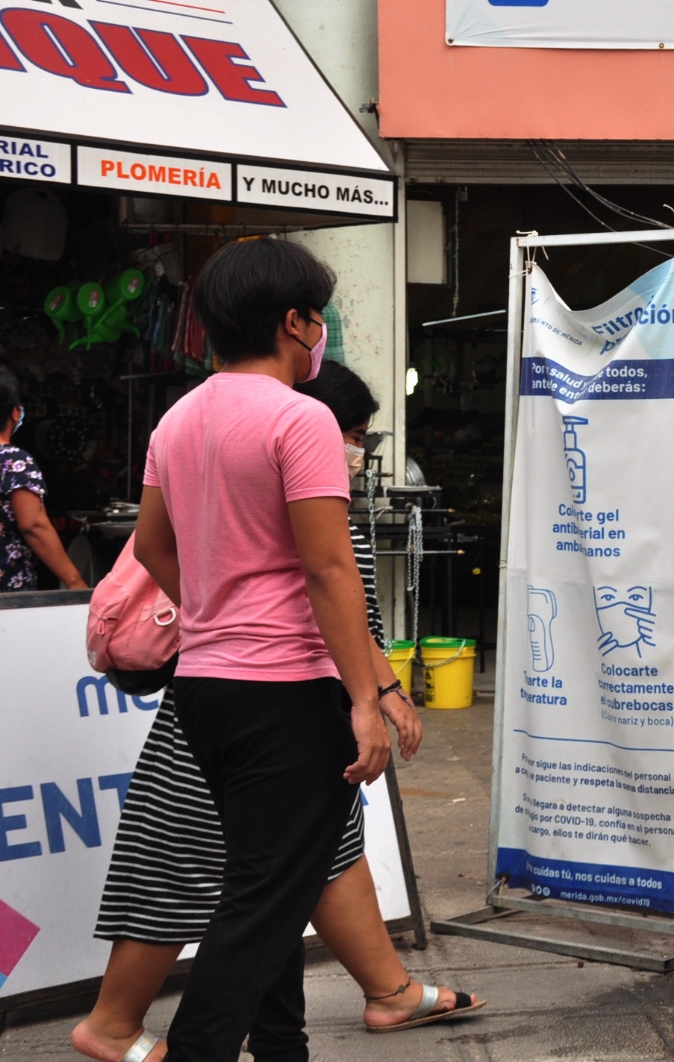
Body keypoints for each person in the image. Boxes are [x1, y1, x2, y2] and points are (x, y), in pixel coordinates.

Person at [72, 362, 482, 1062]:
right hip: (270, 702)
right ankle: (126, 1027)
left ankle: (321, 1022)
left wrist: (215, 619)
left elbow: (157, 545)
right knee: (246, 885)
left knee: (294, 868)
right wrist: (371, 695)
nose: (356, 450)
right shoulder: (295, 468)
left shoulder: (193, 429)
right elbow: (329, 591)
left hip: (224, 696)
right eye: (353, 434)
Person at [127, 239, 391, 1062]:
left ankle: (283, 1049)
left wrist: (215, 601)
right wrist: (367, 696)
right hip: (287, 689)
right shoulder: (299, 418)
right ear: (292, 321)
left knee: (271, 884)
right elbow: (327, 567)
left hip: (206, 687)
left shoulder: (180, 416)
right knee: (261, 900)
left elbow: (147, 547)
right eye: (318, 317)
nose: (321, 332)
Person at [0, 365, 86, 591]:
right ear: (15, 412)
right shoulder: (14, 461)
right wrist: (75, 582)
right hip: (8, 599)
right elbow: (34, 525)